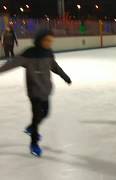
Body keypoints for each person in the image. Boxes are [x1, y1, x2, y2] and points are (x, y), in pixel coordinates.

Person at [0, 29, 72, 157]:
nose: (50, 43)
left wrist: (65, 77)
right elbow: (11, 64)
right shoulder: (29, 54)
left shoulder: (49, 53)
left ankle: (31, 127)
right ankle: (34, 143)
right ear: (40, 40)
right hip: (34, 92)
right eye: (47, 40)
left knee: (45, 113)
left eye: (51, 41)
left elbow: (55, 67)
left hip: (46, 90)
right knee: (36, 116)